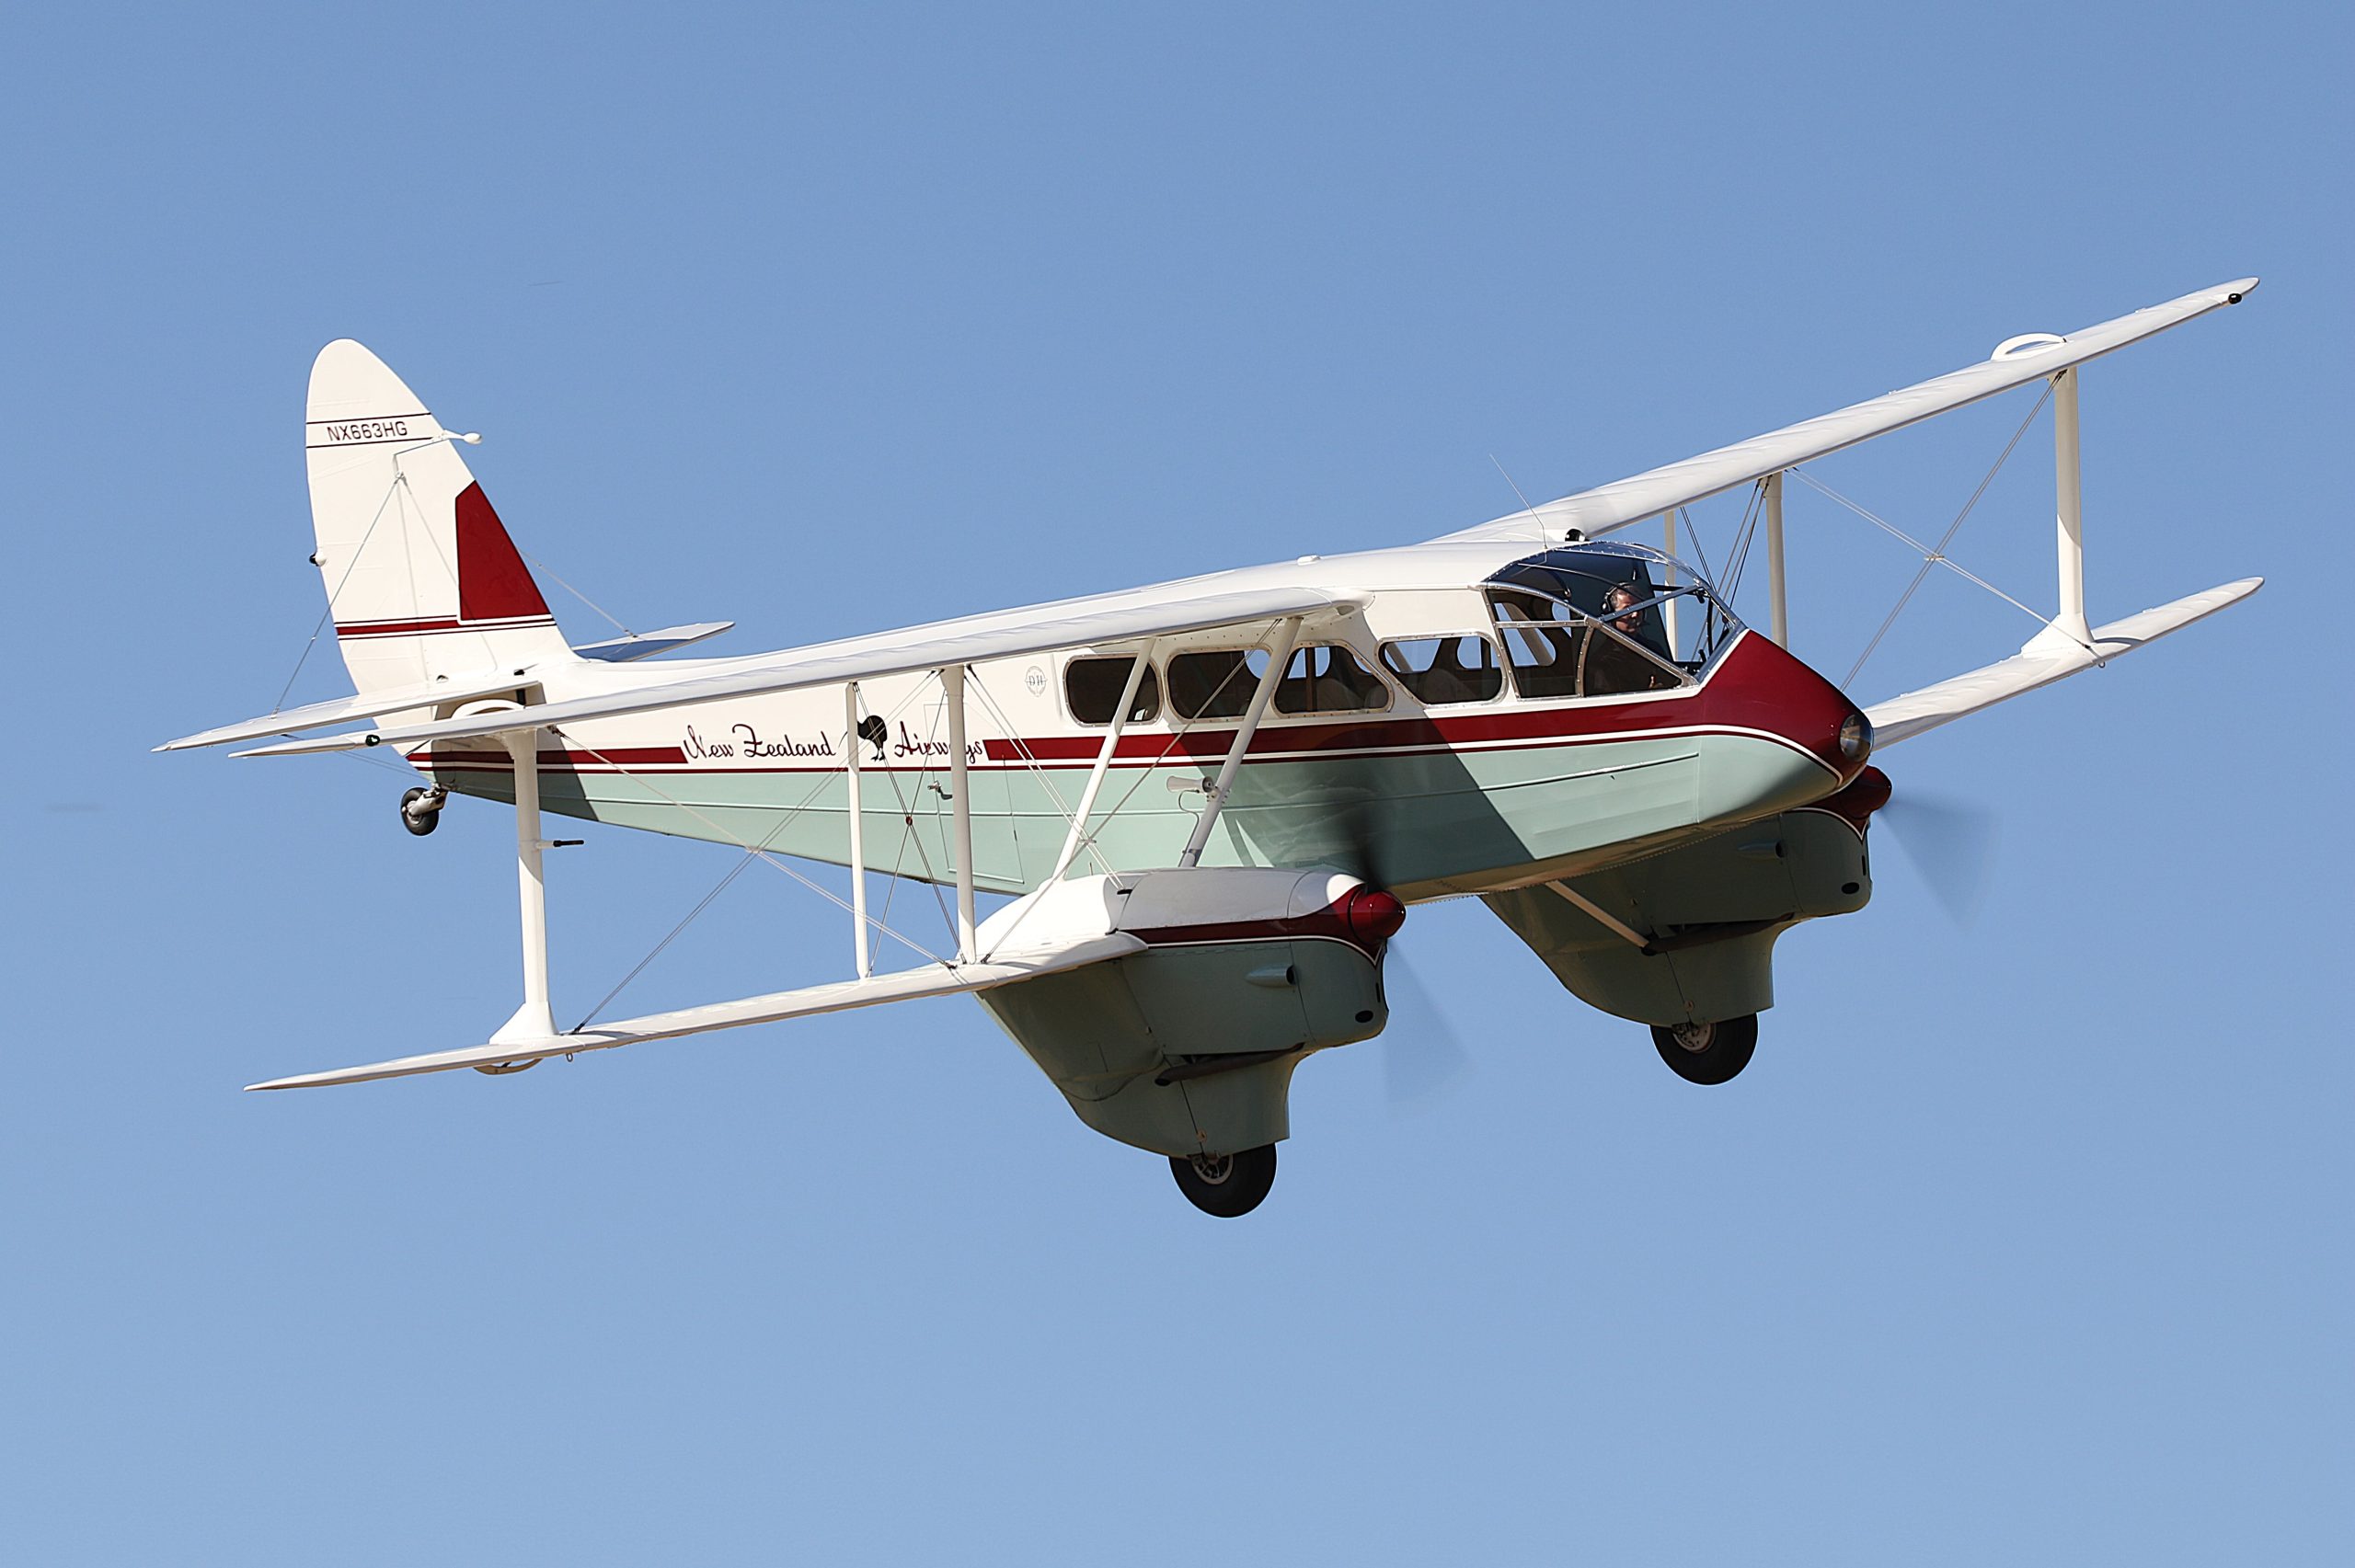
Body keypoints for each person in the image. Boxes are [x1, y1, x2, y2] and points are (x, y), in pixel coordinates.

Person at [1580, 582, 1674, 694]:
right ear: (1610, 612)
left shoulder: (1653, 650)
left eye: (1639, 608)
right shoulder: (1603, 662)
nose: (1635, 615)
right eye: (1627, 609)